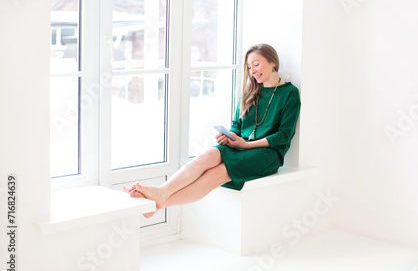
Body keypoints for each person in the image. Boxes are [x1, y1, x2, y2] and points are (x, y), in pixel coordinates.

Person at [123, 43, 301, 217]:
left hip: (267, 154)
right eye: (249, 67)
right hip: (240, 146)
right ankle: (161, 192)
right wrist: (229, 136)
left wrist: (245, 145)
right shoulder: (250, 92)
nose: (252, 71)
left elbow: (283, 136)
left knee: (215, 173)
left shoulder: (290, 93)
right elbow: (237, 125)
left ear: (273, 63)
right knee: (206, 156)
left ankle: (159, 204)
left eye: (256, 64)